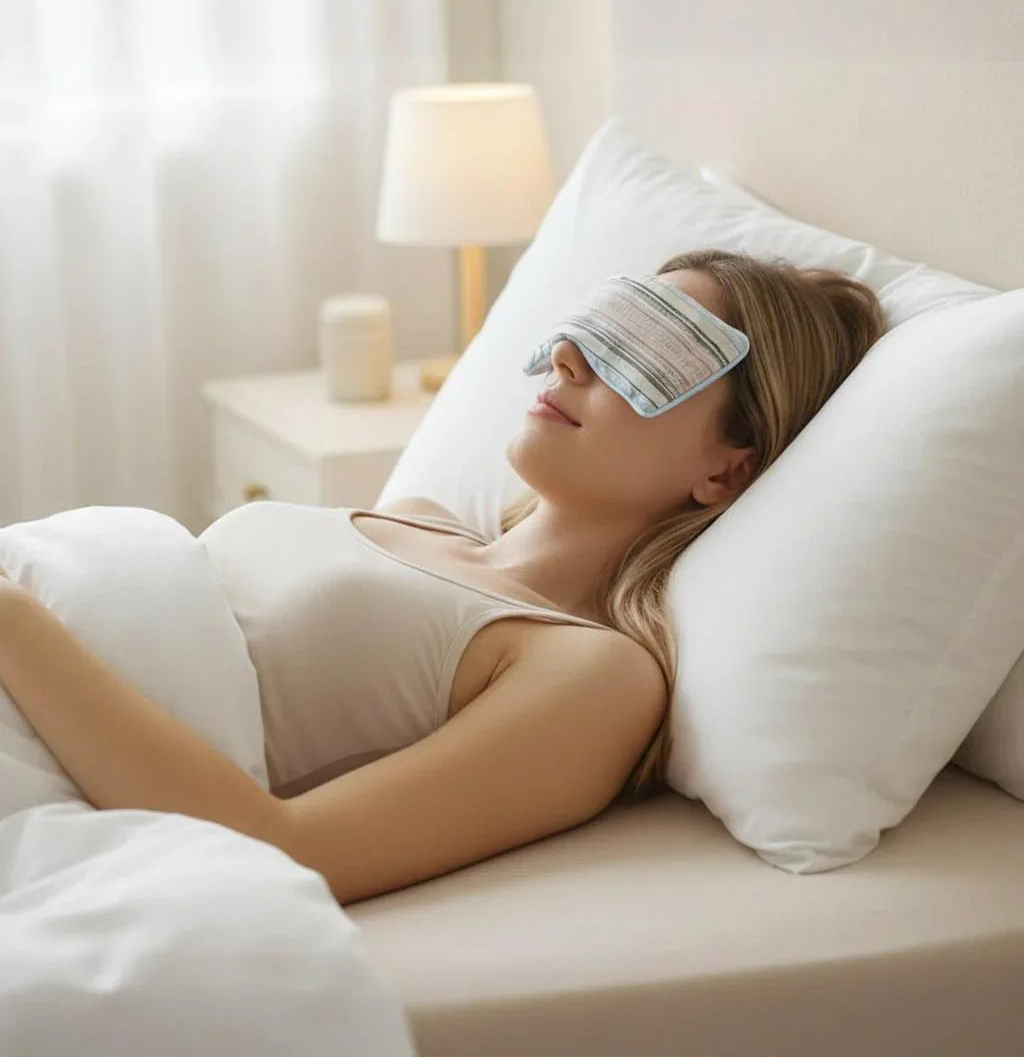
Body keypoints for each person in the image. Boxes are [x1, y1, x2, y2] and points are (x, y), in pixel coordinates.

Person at [0, 248, 884, 906]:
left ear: (727, 471)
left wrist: (14, 623)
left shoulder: (592, 677)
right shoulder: (417, 513)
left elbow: (281, 848)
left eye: (644, 357)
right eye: (596, 329)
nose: (569, 359)